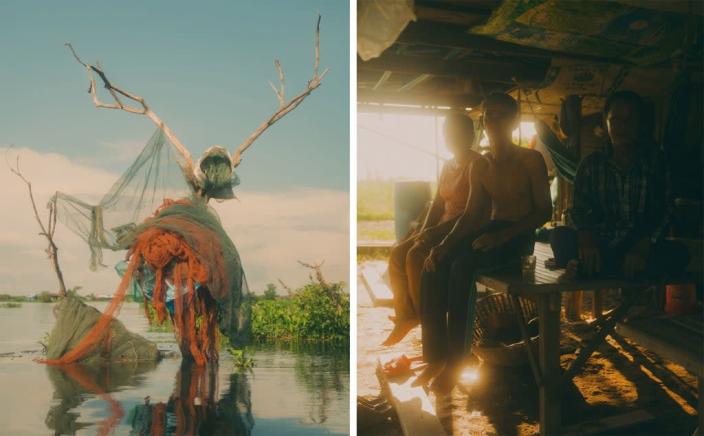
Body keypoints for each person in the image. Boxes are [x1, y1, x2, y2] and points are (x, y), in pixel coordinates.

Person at [417, 93, 552, 392]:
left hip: (518, 238)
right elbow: (471, 214)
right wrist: (445, 244)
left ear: (515, 121)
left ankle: (456, 361)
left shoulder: (530, 160)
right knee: (434, 265)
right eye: (488, 115)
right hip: (490, 231)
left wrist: (503, 235)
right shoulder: (481, 166)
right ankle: (435, 357)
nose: (493, 121)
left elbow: (544, 211)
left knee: (463, 266)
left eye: (501, 115)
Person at [550, 90, 689, 279]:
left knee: (680, 253)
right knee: (559, 236)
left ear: (641, 124)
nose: (623, 126)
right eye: (616, 119)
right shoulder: (591, 164)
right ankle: (615, 270)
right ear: (606, 123)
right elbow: (578, 210)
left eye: (631, 120)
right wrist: (586, 235)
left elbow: (666, 211)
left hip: (638, 246)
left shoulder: (656, 162)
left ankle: (592, 270)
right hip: (600, 245)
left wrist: (644, 244)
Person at [383, 113, 484, 346]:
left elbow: (472, 213)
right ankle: (406, 316)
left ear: (471, 135)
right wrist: (424, 231)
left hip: (463, 229)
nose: (451, 137)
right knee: (397, 253)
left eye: (457, 132)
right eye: (448, 132)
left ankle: (425, 317)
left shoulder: (477, 164)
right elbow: (437, 204)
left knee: (414, 257)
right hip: (439, 227)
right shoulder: (448, 166)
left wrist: (435, 235)